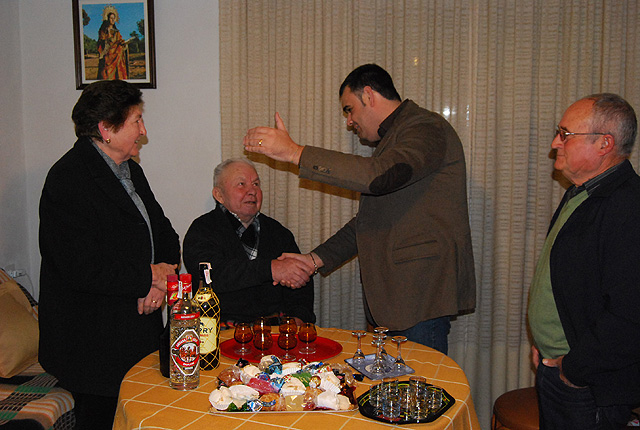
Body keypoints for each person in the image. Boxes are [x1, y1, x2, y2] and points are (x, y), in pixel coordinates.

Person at [243, 64, 475, 354]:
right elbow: (370, 220)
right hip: (399, 301)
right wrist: (314, 260)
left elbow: (380, 175)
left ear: (368, 95)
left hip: (419, 297)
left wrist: (295, 153)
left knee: (416, 382)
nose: (349, 121)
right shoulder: (396, 139)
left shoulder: (424, 128)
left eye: (349, 109)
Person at [38, 80, 179, 429]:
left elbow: (164, 232)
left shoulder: (131, 170)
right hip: (92, 345)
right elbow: (79, 267)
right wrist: (149, 277)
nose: (143, 131)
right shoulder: (67, 178)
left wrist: (161, 280)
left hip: (136, 331)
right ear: (106, 129)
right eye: (136, 121)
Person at [527, 93, 640, 429]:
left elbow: (629, 317)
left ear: (604, 143)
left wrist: (573, 368)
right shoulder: (582, 191)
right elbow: (570, 280)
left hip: (588, 382)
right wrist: (544, 344)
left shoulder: (628, 208)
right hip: (558, 365)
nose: (555, 143)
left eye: (565, 134)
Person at [182, 158, 316, 325]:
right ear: (219, 195)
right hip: (219, 329)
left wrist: (299, 317)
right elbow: (212, 275)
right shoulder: (202, 230)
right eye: (241, 184)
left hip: (275, 329)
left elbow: (301, 283)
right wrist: (270, 269)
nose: (252, 191)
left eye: (256, 184)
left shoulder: (278, 232)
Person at [97, 6, 128, 80]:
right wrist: (108, 41)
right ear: (107, 19)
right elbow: (101, 42)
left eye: (114, 18)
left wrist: (123, 43)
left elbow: (120, 40)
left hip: (116, 54)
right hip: (108, 55)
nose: (113, 20)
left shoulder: (116, 32)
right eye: (111, 18)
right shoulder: (103, 31)